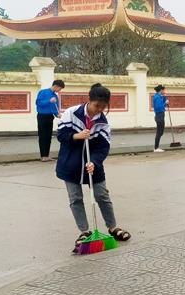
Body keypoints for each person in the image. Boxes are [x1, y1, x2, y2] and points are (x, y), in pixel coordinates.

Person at [56, 83, 131, 253]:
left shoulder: (103, 122)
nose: (100, 110)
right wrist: (77, 136)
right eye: (97, 105)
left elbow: (103, 147)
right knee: (75, 198)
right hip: (70, 163)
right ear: (89, 100)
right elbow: (61, 135)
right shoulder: (71, 113)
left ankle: (112, 227)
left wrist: (94, 162)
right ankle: (84, 231)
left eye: (104, 107)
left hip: (93, 165)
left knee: (102, 195)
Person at [35, 79, 64, 161]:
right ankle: (43, 156)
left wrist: (58, 114)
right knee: (42, 136)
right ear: (56, 86)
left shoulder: (55, 96)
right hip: (42, 116)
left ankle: (47, 155)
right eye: (60, 88)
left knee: (48, 136)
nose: (59, 90)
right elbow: (38, 103)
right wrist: (49, 101)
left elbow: (55, 108)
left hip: (50, 117)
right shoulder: (43, 92)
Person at [152, 85, 168, 152]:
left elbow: (162, 103)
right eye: (163, 90)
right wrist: (165, 103)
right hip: (159, 115)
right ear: (161, 90)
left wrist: (164, 97)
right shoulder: (157, 97)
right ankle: (156, 148)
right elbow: (159, 107)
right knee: (159, 132)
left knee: (161, 132)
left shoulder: (159, 96)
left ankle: (156, 147)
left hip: (160, 115)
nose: (164, 91)